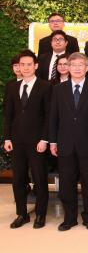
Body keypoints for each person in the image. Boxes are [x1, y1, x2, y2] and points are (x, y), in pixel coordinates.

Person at [49, 52, 88, 231]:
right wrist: (52, 141)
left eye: (81, 65)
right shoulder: (58, 89)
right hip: (65, 143)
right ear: (68, 68)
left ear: (87, 68)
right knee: (66, 182)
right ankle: (69, 217)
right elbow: (53, 118)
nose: (77, 68)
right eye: (73, 65)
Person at [4, 50, 51, 229]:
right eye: (22, 65)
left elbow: (48, 116)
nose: (25, 68)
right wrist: (7, 137)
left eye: (29, 64)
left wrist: (44, 139)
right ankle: (22, 214)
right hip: (17, 141)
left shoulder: (45, 86)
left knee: (39, 179)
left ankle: (40, 214)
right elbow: (8, 115)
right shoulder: (12, 87)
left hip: (37, 141)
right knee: (18, 180)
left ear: (36, 66)